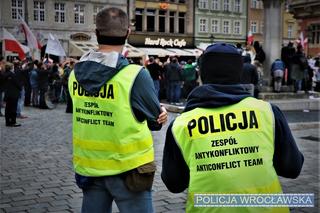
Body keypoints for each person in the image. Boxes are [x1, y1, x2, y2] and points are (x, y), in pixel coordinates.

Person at [161, 43, 304, 213]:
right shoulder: (268, 112)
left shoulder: (181, 124)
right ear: (239, 73)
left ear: (202, 74)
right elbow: (292, 168)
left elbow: (174, 183)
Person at [69, 7, 168, 213]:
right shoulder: (135, 74)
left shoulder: (74, 74)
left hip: (91, 168)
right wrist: (160, 115)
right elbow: (154, 120)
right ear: (127, 34)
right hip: (128, 171)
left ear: (96, 33)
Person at [3, 62, 22, 127]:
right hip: (14, 93)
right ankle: (13, 122)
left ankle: (7, 122)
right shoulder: (12, 74)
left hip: (7, 93)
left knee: (7, 108)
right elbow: (18, 84)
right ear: (11, 68)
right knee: (13, 108)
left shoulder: (4, 74)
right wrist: (20, 87)